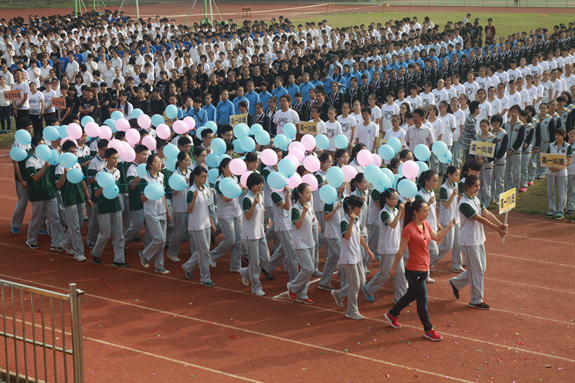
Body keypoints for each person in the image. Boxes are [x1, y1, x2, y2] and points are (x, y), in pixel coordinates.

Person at [383, 199, 457, 341]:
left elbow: (436, 237)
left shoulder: (425, 224)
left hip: (424, 268)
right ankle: (428, 329)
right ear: (415, 212)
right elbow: (401, 251)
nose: (427, 212)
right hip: (414, 270)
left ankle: (392, 314)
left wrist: (449, 227)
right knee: (422, 300)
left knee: (411, 294)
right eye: (424, 210)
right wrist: (393, 268)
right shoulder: (408, 229)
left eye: (427, 210)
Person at [449, 175, 508, 309]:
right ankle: (475, 300)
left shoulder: (475, 198)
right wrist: (497, 229)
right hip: (469, 241)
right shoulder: (464, 203)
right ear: (468, 186)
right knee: (476, 271)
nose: (478, 188)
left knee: (480, 269)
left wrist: (500, 224)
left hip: (478, 238)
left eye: (479, 185)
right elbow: (479, 219)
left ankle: (456, 283)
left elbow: (485, 213)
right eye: (475, 185)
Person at [330, 195, 374, 320]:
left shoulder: (356, 219)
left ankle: (339, 294)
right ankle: (351, 310)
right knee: (355, 284)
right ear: (350, 207)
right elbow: (347, 236)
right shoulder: (344, 221)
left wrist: (368, 250)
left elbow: (359, 235)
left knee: (360, 282)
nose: (360, 210)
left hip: (357, 256)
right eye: (358, 208)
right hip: (348, 257)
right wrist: (350, 222)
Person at [363, 188, 407, 303]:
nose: (396, 201)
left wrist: (403, 210)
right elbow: (392, 224)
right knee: (385, 274)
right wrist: (399, 212)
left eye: (397, 198)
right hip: (387, 248)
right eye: (394, 198)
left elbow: (400, 218)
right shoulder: (384, 212)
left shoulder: (393, 210)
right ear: (387, 199)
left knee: (400, 274)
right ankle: (368, 289)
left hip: (396, 246)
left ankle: (400, 297)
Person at [91, 148, 129, 267]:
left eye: (117, 158)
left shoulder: (117, 172)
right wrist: (106, 185)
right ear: (107, 159)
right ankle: (96, 253)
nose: (116, 160)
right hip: (104, 207)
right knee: (105, 234)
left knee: (119, 234)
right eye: (113, 158)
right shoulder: (100, 174)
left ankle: (119, 260)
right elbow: (96, 194)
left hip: (116, 205)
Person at [25, 136, 65, 250]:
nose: (43, 147)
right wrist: (45, 166)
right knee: (36, 219)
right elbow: (36, 178)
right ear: (33, 147)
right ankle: (31, 240)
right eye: (40, 145)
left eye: (44, 145)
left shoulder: (47, 158)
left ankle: (56, 243)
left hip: (49, 193)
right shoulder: (30, 162)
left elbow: (57, 158)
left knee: (55, 218)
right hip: (37, 194)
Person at [56, 140, 93, 262]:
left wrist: (87, 197)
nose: (74, 154)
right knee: (74, 227)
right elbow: (58, 186)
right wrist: (64, 175)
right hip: (69, 199)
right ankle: (79, 252)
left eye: (75, 151)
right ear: (64, 152)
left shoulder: (76, 164)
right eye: (71, 152)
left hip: (79, 197)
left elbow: (82, 181)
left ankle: (65, 243)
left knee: (79, 224)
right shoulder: (60, 167)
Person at [182, 165, 217, 286]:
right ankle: (205, 277)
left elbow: (207, 208)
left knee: (202, 251)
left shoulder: (206, 189)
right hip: (196, 226)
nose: (205, 178)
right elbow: (188, 210)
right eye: (203, 176)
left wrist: (211, 223)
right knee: (204, 252)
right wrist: (193, 199)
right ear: (196, 177)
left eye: (206, 176)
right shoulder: (191, 191)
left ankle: (188, 266)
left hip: (206, 224)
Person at [138, 154, 172, 274]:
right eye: (157, 162)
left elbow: (163, 195)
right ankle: (144, 254)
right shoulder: (145, 179)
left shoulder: (161, 176)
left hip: (162, 211)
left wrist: (168, 211)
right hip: (151, 212)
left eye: (160, 162)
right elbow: (142, 199)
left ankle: (159, 266)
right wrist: (150, 192)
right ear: (150, 165)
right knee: (160, 239)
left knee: (161, 243)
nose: (160, 164)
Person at [210, 157, 243, 272]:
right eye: (230, 167)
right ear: (223, 168)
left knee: (238, 240)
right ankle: (212, 256)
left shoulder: (234, 178)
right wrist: (238, 189)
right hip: (225, 214)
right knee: (230, 240)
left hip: (236, 212)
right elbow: (225, 199)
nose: (232, 169)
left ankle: (235, 266)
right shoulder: (219, 182)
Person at [240, 173, 270, 296]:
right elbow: (247, 216)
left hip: (260, 232)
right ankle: (256, 287)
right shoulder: (247, 198)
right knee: (255, 261)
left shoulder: (259, 196)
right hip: (250, 234)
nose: (260, 186)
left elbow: (260, 213)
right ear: (252, 185)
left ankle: (246, 272)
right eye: (258, 184)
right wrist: (254, 204)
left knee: (266, 258)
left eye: (261, 183)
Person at [287, 183, 316, 304]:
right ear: (300, 194)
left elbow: (312, 219)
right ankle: (293, 286)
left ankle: (302, 294)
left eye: (311, 192)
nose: (310, 195)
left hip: (310, 241)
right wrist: (304, 212)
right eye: (307, 193)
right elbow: (297, 225)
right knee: (308, 269)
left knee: (308, 269)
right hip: (300, 243)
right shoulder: (296, 208)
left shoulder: (308, 205)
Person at [433, 166, 463, 272]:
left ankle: (456, 265)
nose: (458, 177)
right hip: (447, 219)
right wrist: (453, 195)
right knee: (447, 245)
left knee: (457, 243)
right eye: (456, 175)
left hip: (456, 218)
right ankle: (430, 261)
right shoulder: (444, 188)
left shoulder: (456, 184)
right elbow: (445, 205)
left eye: (459, 175)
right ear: (449, 175)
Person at [415, 170, 440, 283]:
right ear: (426, 181)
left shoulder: (432, 192)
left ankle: (424, 272)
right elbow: (420, 211)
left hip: (432, 225)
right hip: (423, 227)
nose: (436, 183)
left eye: (437, 181)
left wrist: (437, 222)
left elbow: (433, 210)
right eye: (433, 181)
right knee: (432, 251)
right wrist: (429, 203)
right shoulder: (419, 194)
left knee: (431, 252)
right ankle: (422, 272)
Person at [166, 152, 192, 262]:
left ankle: (195, 252)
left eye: (189, 160)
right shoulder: (175, 175)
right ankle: (172, 253)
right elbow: (173, 193)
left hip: (190, 206)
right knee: (179, 231)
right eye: (185, 160)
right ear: (179, 161)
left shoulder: (190, 172)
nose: (187, 163)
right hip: (179, 207)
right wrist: (181, 184)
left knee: (192, 230)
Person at [11, 119, 34, 234]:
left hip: (32, 176)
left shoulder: (29, 142)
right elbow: (15, 162)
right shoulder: (17, 143)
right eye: (28, 128)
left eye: (31, 128)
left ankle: (39, 225)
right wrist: (21, 179)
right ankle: (15, 224)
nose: (30, 130)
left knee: (36, 200)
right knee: (23, 201)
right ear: (22, 130)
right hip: (22, 178)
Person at [545, 128, 572, 219]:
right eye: (556, 134)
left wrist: (559, 168)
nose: (557, 136)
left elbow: (569, 161)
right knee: (550, 192)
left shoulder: (568, 146)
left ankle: (560, 212)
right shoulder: (551, 145)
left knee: (562, 193)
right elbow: (546, 158)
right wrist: (550, 167)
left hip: (562, 173)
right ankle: (551, 210)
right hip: (550, 172)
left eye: (559, 135)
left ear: (564, 136)